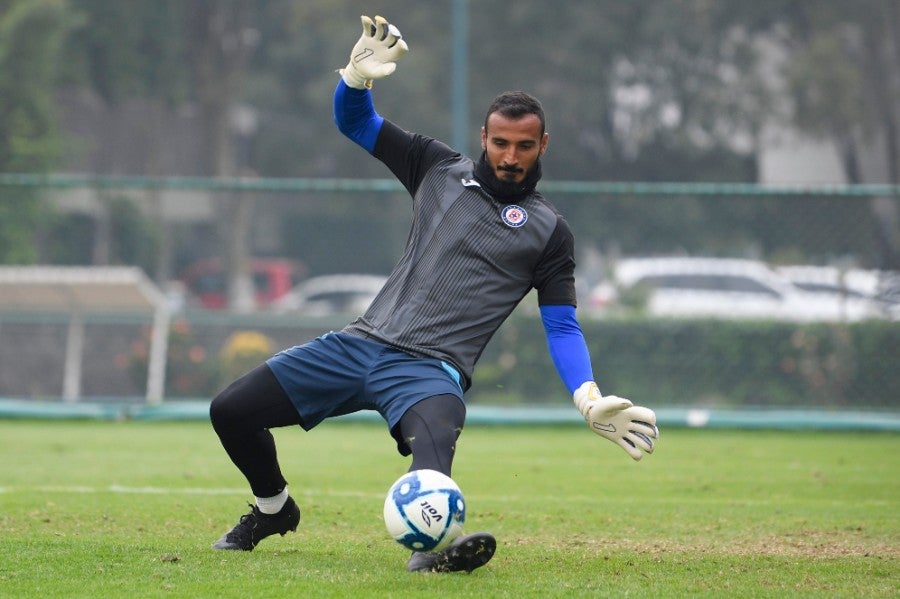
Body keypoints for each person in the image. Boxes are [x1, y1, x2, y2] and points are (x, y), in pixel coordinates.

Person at [209, 15, 659, 574]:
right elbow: (357, 124)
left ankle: (435, 551)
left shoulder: (549, 231)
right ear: (484, 138)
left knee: (434, 453)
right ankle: (273, 509)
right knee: (229, 411)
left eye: (524, 146)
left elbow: (562, 324)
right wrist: (354, 80)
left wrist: (587, 396)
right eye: (500, 143)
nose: (511, 157)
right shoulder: (436, 167)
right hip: (359, 344)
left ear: (543, 145)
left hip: (431, 371)